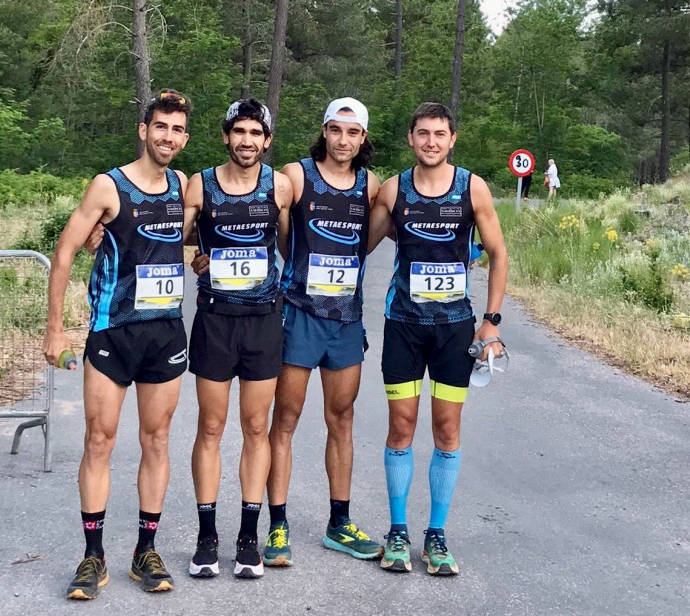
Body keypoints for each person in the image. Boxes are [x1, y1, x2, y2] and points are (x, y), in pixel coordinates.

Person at [193, 98, 383, 565]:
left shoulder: (370, 184)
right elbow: (271, 232)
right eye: (336, 130)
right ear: (324, 131)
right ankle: (277, 526)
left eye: (353, 132)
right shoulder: (295, 177)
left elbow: (374, 237)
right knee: (284, 421)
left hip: (346, 317)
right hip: (296, 312)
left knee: (342, 419)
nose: (343, 140)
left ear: (363, 139)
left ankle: (339, 522)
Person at [42, 90, 193, 599]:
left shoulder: (184, 185)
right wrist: (54, 330)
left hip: (166, 333)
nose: (167, 137)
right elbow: (64, 252)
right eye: (160, 127)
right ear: (143, 130)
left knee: (156, 441)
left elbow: (191, 236)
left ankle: (144, 551)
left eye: (176, 130)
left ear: (185, 138)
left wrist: (204, 260)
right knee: (100, 440)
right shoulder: (109, 186)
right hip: (113, 331)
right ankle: (93, 557)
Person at [368, 102, 508, 575]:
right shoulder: (394, 190)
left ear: (452, 139)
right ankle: (398, 531)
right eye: (423, 133)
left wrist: (491, 322)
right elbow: (357, 245)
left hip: (454, 330)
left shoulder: (473, 188)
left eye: (440, 134)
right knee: (401, 427)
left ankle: (437, 535)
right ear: (411, 139)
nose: (431, 141)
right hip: (403, 326)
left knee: (447, 430)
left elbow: (498, 252)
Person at [186, 99, 293, 579]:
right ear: (226, 137)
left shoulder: (280, 187)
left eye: (256, 133)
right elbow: (177, 237)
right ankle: (207, 536)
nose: (247, 141)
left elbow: (291, 243)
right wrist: (195, 256)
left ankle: (248, 536)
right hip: (215, 319)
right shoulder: (200, 184)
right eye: (239, 132)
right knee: (210, 427)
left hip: (264, 321)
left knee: (256, 427)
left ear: (267, 141)